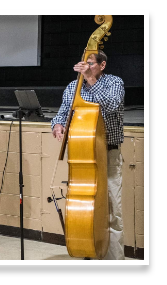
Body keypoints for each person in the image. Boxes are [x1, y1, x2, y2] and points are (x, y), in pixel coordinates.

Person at [51, 50, 125, 260]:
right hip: (83, 156)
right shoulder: (73, 86)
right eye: (84, 64)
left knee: (113, 212)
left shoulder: (114, 83)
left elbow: (112, 106)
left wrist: (91, 79)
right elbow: (62, 112)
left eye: (91, 64)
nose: (86, 68)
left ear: (102, 65)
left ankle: (115, 260)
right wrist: (56, 124)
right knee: (87, 210)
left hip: (108, 155)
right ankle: (91, 253)